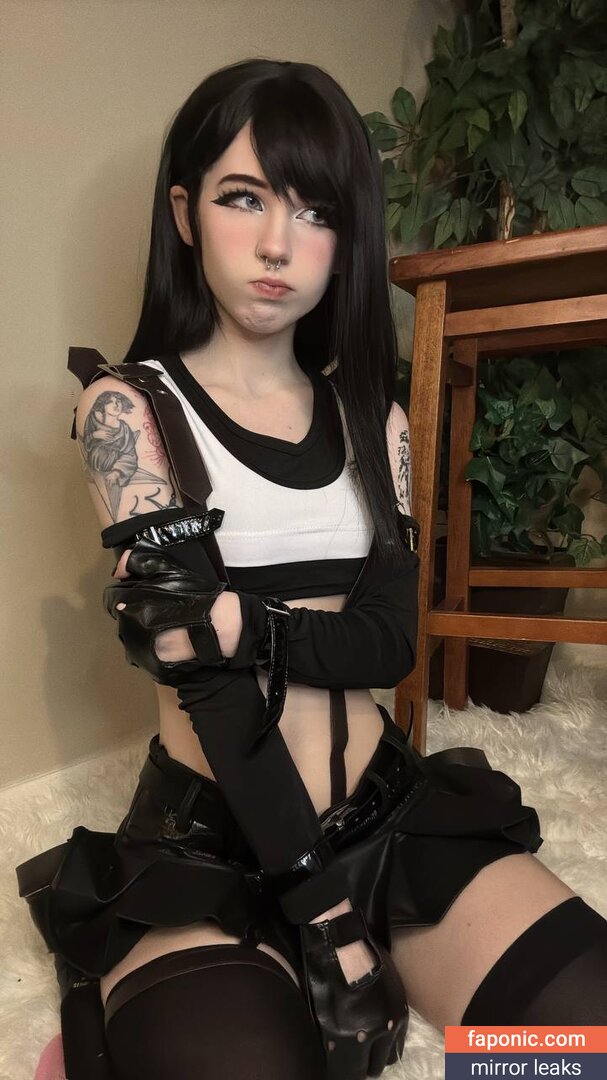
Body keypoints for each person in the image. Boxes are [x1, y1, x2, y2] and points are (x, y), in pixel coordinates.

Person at [17, 57, 607, 1080]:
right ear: (185, 213)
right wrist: (323, 914)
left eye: (316, 210)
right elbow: (207, 683)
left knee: (574, 1051)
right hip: (216, 848)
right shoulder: (130, 411)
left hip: (385, 817)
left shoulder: (374, 419)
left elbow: (388, 643)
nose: (278, 245)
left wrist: (253, 625)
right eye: (244, 198)